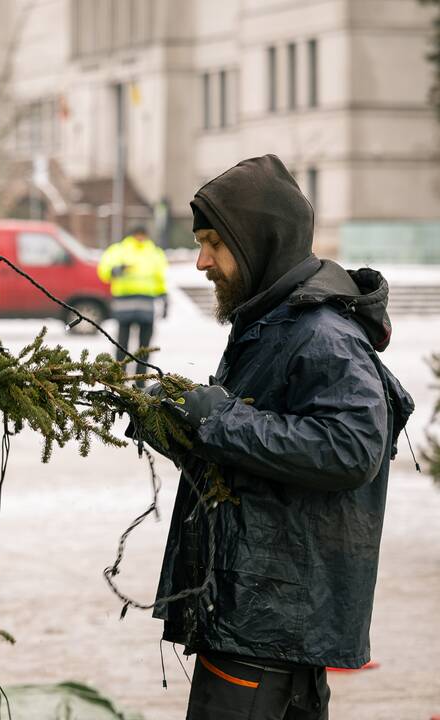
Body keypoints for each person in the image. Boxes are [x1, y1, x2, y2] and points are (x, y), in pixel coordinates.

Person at [146, 155, 414, 719]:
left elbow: (350, 448)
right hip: (258, 620)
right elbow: (258, 450)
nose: (201, 262)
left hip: (268, 621)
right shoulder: (270, 323)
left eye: (214, 243)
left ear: (257, 242)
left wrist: (217, 421)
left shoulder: (322, 335)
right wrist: (177, 426)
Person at [96, 226, 169, 379]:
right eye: (138, 235)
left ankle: (141, 379)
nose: (140, 238)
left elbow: (161, 278)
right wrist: (116, 270)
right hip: (125, 304)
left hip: (145, 305)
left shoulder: (155, 253)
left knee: (144, 347)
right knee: (122, 345)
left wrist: (164, 296)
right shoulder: (119, 250)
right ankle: (119, 376)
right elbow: (103, 271)